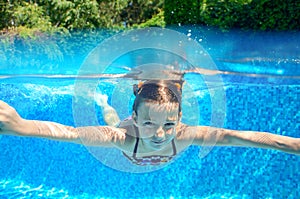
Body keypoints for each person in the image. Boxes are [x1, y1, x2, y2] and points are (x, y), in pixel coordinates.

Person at [0, 80, 299, 166]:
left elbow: (239, 137)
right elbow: (72, 133)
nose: (158, 135)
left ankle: (107, 105)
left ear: (180, 119)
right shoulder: (124, 137)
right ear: (137, 117)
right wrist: (21, 125)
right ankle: (104, 103)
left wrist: (293, 145)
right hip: (125, 139)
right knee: (113, 122)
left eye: (168, 125)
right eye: (148, 124)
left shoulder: (185, 135)